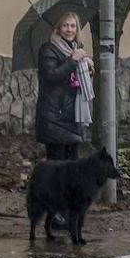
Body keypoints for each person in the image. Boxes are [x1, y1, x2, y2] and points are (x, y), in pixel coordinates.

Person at [36, 12, 94, 161]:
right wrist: (73, 60)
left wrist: (87, 66)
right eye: (65, 25)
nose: (69, 29)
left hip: (73, 115)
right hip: (55, 116)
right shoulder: (48, 49)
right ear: (58, 28)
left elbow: (76, 81)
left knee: (72, 169)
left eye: (73, 26)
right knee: (57, 168)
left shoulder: (76, 49)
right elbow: (50, 77)